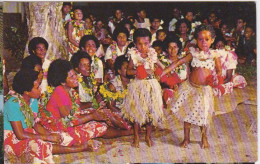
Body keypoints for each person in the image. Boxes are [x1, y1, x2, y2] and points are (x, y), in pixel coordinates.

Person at [4, 69, 92, 163]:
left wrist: (49, 134)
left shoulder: (32, 101)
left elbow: (35, 124)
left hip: (28, 131)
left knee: (61, 136)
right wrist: (47, 138)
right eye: (37, 87)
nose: (40, 89)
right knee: (38, 145)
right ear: (27, 92)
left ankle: (58, 147)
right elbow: (20, 135)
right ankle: (78, 149)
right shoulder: (12, 103)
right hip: (12, 136)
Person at [39, 59, 133, 147]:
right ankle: (127, 132)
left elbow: (78, 106)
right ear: (63, 82)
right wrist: (92, 116)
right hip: (60, 130)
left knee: (103, 112)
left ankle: (126, 127)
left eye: (74, 74)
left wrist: (94, 105)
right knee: (97, 125)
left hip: (68, 123)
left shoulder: (69, 90)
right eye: (71, 77)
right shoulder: (59, 92)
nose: (76, 77)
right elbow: (69, 121)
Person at [162, 24, 222, 148]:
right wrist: (164, 71)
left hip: (204, 90)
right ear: (196, 40)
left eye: (207, 39)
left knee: (204, 115)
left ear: (213, 40)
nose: (203, 42)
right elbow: (179, 62)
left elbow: (219, 70)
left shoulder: (215, 56)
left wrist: (216, 77)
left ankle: (204, 138)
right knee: (187, 113)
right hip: (190, 88)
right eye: (200, 39)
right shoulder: (193, 54)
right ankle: (186, 139)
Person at [121, 28, 164, 147]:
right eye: (139, 44)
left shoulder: (152, 54)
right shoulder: (133, 55)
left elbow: (161, 66)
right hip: (138, 86)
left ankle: (148, 137)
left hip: (151, 85)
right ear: (135, 44)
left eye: (145, 43)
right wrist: (138, 71)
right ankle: (136, 137)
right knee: (137, 112)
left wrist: (163, 71)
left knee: (150, 112)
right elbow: (128, 72)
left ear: (150, 42)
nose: (143, 47)